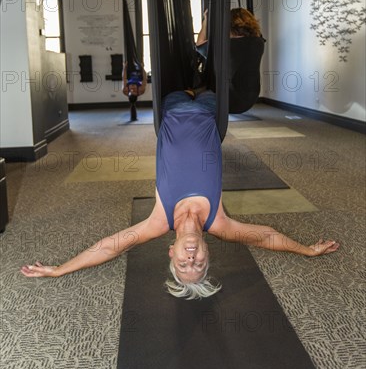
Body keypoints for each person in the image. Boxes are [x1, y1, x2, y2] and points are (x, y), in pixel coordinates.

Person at [21, 90, 339, 300]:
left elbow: (108, 247)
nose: (190, 261)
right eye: (198, 265)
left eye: (183, 266)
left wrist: (60, 268)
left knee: (174, 67)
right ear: (207, 255)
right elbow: (267, 237)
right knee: (210, 65)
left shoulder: (157, 222)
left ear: (170, 253)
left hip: (170, 110)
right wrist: (306, 252)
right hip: (209, 111)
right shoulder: (221, 224)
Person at [195, 7, 265, 113]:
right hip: (251, 99)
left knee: (197, 95)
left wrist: (206, 20)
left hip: (230, 100)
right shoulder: (259, 43)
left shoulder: (226, 45)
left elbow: (199, 45)